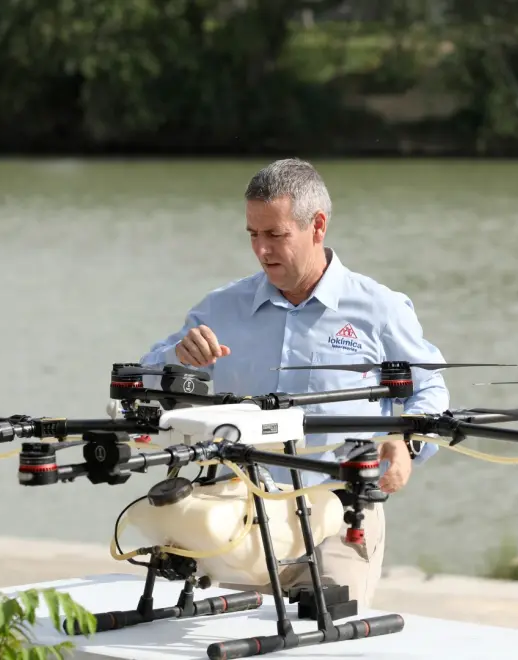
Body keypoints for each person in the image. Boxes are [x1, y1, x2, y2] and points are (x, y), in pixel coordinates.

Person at [137, 157, 450, 609]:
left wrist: (408, 442)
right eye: (253, 235)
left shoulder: (380, 308)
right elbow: (143, 378)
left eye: (275, 235)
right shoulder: (221, 308)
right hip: (235, 519)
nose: (262, 250)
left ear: (317, 226)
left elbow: (432, 390)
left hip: (340, 518)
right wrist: (176, 359)